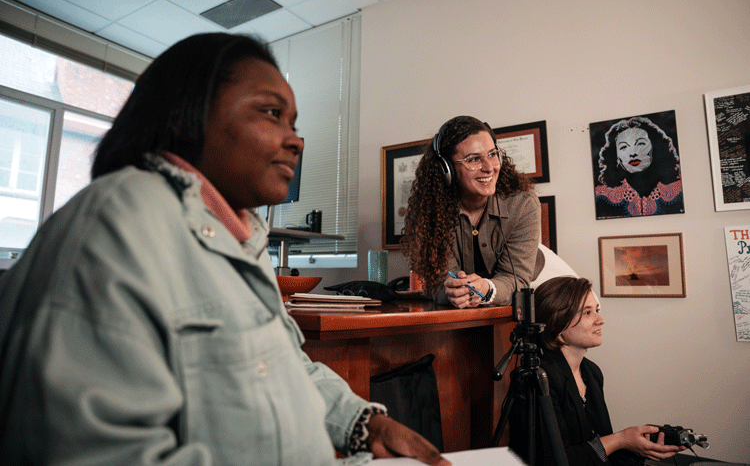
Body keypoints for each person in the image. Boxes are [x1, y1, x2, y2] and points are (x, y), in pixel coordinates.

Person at [0, 33, 449, 466]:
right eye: (272, 113)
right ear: (185, 114)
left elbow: (281, 365)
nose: (296, 140)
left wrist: (363, 424)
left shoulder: (241, 237)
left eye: (294, 123)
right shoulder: (117, 223)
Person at [508, 276, 684, 465]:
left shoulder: (591, 373)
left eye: (597, 311)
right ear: (558, 323)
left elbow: (600, 450)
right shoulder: (538, 379)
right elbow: (556, 461)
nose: (600, 320)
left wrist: (639, 447)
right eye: (587, 313)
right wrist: (621, 439)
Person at [401, 116, 542, 308]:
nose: (489, 167)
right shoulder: (429, 211)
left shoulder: (523, 204)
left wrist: (488, 288)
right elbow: (435, 284)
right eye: (474, 159)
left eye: (492, 154)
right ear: (447, 169)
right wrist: (451, 292)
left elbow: (517, 280)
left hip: (534, 286)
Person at [594, 116, 683, 219]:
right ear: (616, 156)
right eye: (623, 147)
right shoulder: (601, 196)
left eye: (640, 144)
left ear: (655, 147)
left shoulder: (679, 189)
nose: (632, 153)